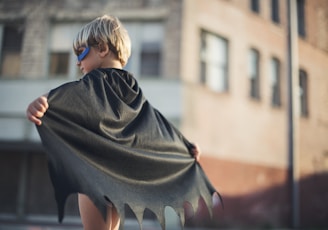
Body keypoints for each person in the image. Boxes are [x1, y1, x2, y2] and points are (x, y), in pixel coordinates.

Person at [26, 15, 209, 230]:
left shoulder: (94, 81)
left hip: (94, 172)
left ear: (102, 48)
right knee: (111, 227)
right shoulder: (131, 86)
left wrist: (44, 100)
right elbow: (154, 123)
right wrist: (183, 145)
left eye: (81, 53)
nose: (78, 62)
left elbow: (68, 94)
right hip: (118, 176)